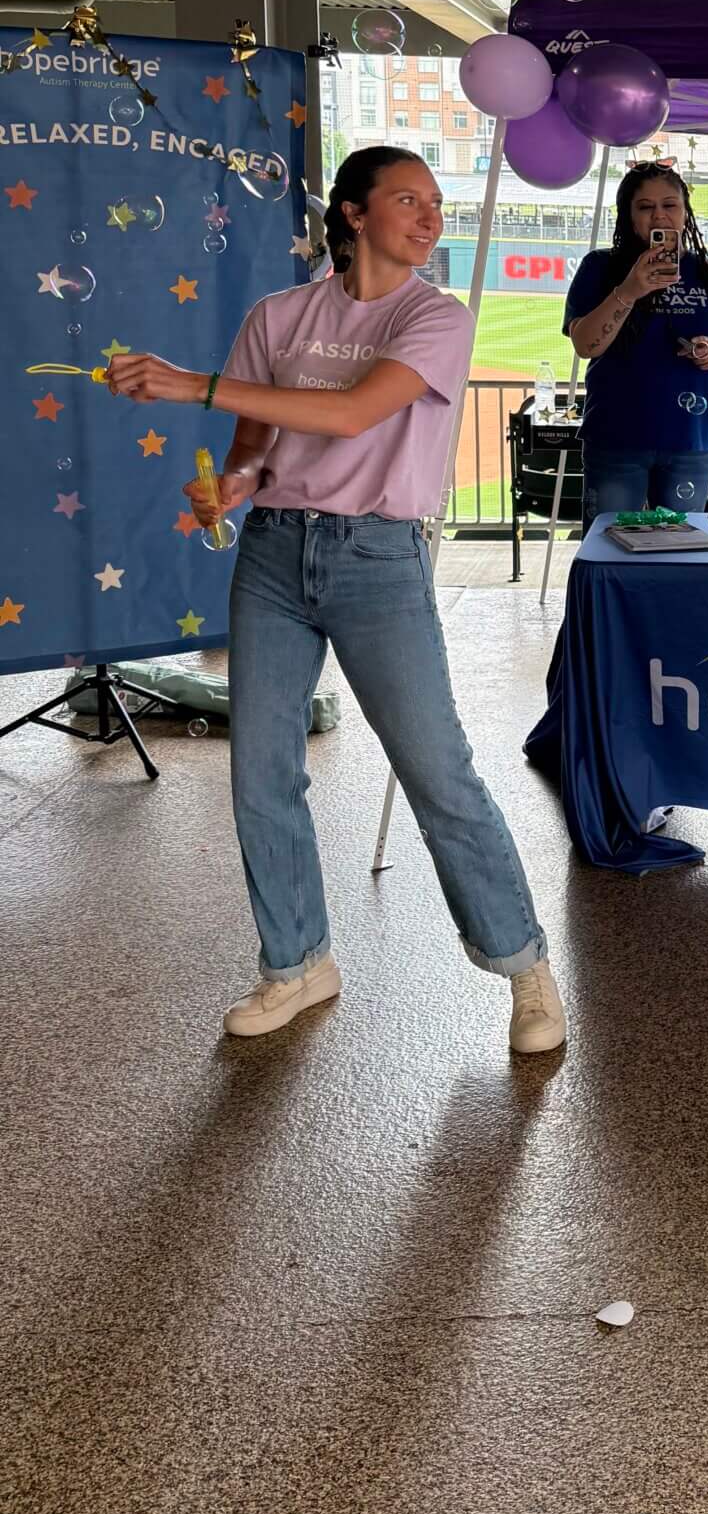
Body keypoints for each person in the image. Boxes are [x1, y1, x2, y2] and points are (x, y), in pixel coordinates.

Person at [104, 146, 567, 1054]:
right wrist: (233, 485)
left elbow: (354, 413)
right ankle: (297, 962)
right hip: (273, 556)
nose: (429, 218)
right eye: (408, 200)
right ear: (354, 214)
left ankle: (526, 967)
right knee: (260, 772)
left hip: (377, 560)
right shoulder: (278, 316)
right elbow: (254, 448)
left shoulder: (435, 317)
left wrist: (191, 383)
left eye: (435, 203)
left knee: (438, 772)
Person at [562, 163, 708, 522]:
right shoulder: (599, 268)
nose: (659, 216)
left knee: (679, 548)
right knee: (609, 544)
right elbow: (586, 346)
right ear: (629, 215)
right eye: (645, 207)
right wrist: (629, 290)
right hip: (616, 438)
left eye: (670, 205)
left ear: (685, 213)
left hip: (692, 442)